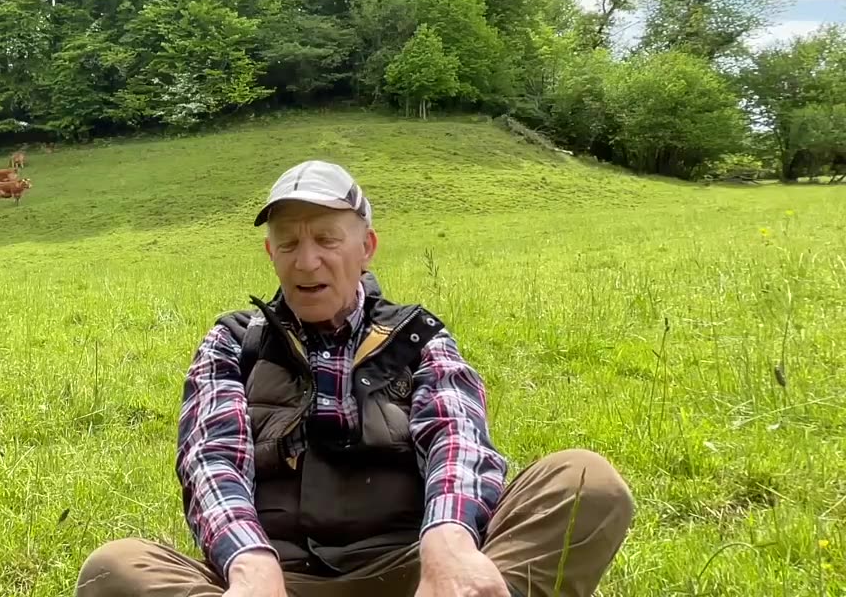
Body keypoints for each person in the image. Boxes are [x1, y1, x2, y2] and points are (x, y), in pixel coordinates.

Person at [76, 160, 634, 597]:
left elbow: (457, 439)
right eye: (289, 243)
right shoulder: (234, 341)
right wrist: (250, 566)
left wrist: (449, 540)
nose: (307, 260)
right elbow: (210, 459)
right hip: (276, 581)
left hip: (415, 573)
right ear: (271, 254)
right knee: (115, 572)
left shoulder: (418, 338)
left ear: (366, 248)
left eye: (326, 238)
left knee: (586, 483)